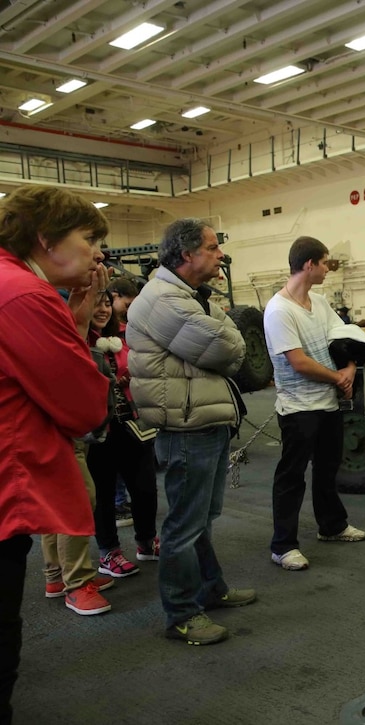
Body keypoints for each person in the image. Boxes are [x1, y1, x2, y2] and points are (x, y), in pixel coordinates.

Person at [0, 185, 112, 723]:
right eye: (89, 238)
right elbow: (83, 406)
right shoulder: (25, 294)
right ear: (45, 239)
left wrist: (76, 320)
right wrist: (80, 328)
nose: (97, 253)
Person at [126, 218, 256, 646]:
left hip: (203, 421)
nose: (220, 254)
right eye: (213, 247)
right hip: (186, 427)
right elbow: (227, 346)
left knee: (202, 519)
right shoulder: (163, 299)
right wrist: (229, 335)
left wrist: (228, 333)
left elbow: (231, 335)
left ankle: (210, 588)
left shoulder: (190, 296)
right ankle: (181, 614)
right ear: (186, 254)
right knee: (184, 525)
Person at [263, 236, 365, 572]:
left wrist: (350, 368)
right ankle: (283, 546)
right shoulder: (279, 310)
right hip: (298, 409)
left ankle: (332, 526)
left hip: (327, 404)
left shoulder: (320, 303)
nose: (327, 269)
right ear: (309, 264)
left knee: (327, 469)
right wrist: (338, 379)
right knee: (292, 476)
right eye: (324, 263)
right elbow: (298, 362)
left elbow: (345, 339)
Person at [85, 291, 160, 577]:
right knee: (103, 493)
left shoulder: (124, 335)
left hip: (133, 424)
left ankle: (146, 541)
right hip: (99, 430)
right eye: (96, 304)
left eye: (106, 303)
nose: (103, 309)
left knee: (144, 488)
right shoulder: (78, 339)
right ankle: (109, 553)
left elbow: (143, 364)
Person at [107, 277, 141, 528]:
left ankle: (127, 500)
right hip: (112, 409)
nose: (129, 310)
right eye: (127, 304)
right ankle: (118, 503)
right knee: (114, 462)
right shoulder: (107, 334)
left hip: (131, 406)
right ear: (114, 296)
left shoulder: (128, 329)